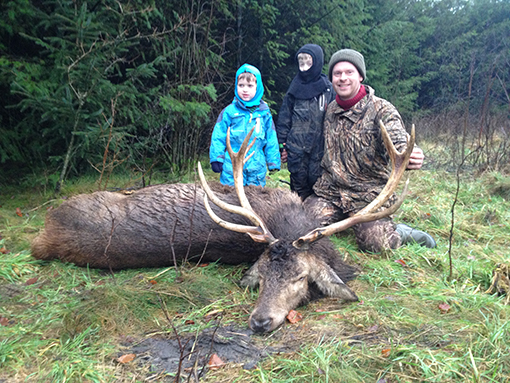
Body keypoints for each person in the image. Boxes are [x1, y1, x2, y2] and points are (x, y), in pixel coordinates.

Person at [306, 48, 436, 252]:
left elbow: (397, 139)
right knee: (302, 227)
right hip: (331, 192)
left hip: (369, 194)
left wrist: (409, 153)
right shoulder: (330, 110)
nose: (342, 78)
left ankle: (400, 232)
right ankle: (348, 222)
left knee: (376, 244)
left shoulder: (381, 110)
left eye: (349, 72)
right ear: (331, 79)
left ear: (360, 75)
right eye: (337, 73)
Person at [276, 44, 335, 200]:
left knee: (318, 187)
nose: (304, 65)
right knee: (298, 188)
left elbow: (337, 120)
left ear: (317, 61)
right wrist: (282, 145)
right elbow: (284, 119)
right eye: (301, 61)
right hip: (296, 149)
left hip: (320, 150)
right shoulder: (294, 89)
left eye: (308, 61)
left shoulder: (328, 89)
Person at [210, 63, 281, 186]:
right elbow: (218, 135)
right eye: (241, 85)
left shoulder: (264, 113)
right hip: (232, 167)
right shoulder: (229, 112)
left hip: (256, 167)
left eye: (250, 85)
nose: (245, 89)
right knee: (230, 197)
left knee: (256, 200)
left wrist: (273, 161)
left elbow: (271, 138)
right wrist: (217, 158)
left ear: (257, 87)